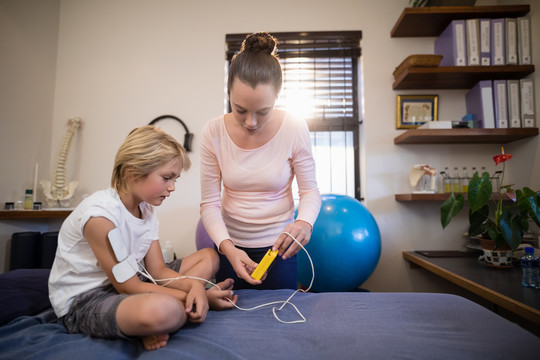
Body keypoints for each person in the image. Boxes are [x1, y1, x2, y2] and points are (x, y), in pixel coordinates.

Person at [48, 125, 237, 351]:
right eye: (167, 178)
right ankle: (169, 314)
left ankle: (175, 311)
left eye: (175, 179)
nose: (172, 187)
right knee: (161, 310)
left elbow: (157, 271)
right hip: (88, 299)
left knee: (209, 257)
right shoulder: (100, 217)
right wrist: (200, 293)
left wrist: (195, 287)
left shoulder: (146, 210)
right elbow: (129, 287)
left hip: (134, 281)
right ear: (132, 172)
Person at [200, 32, 321, 290]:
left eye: (263, 112)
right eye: (240, 109)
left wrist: (304, 222)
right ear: (229, 93)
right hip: (229, 247)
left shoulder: (294, 127)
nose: (250, 122)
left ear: (277, 96)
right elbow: (209, 204)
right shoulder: (213, 131)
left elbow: (310, 191)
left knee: (280, 317)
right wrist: (229, 250)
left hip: (280, 248)